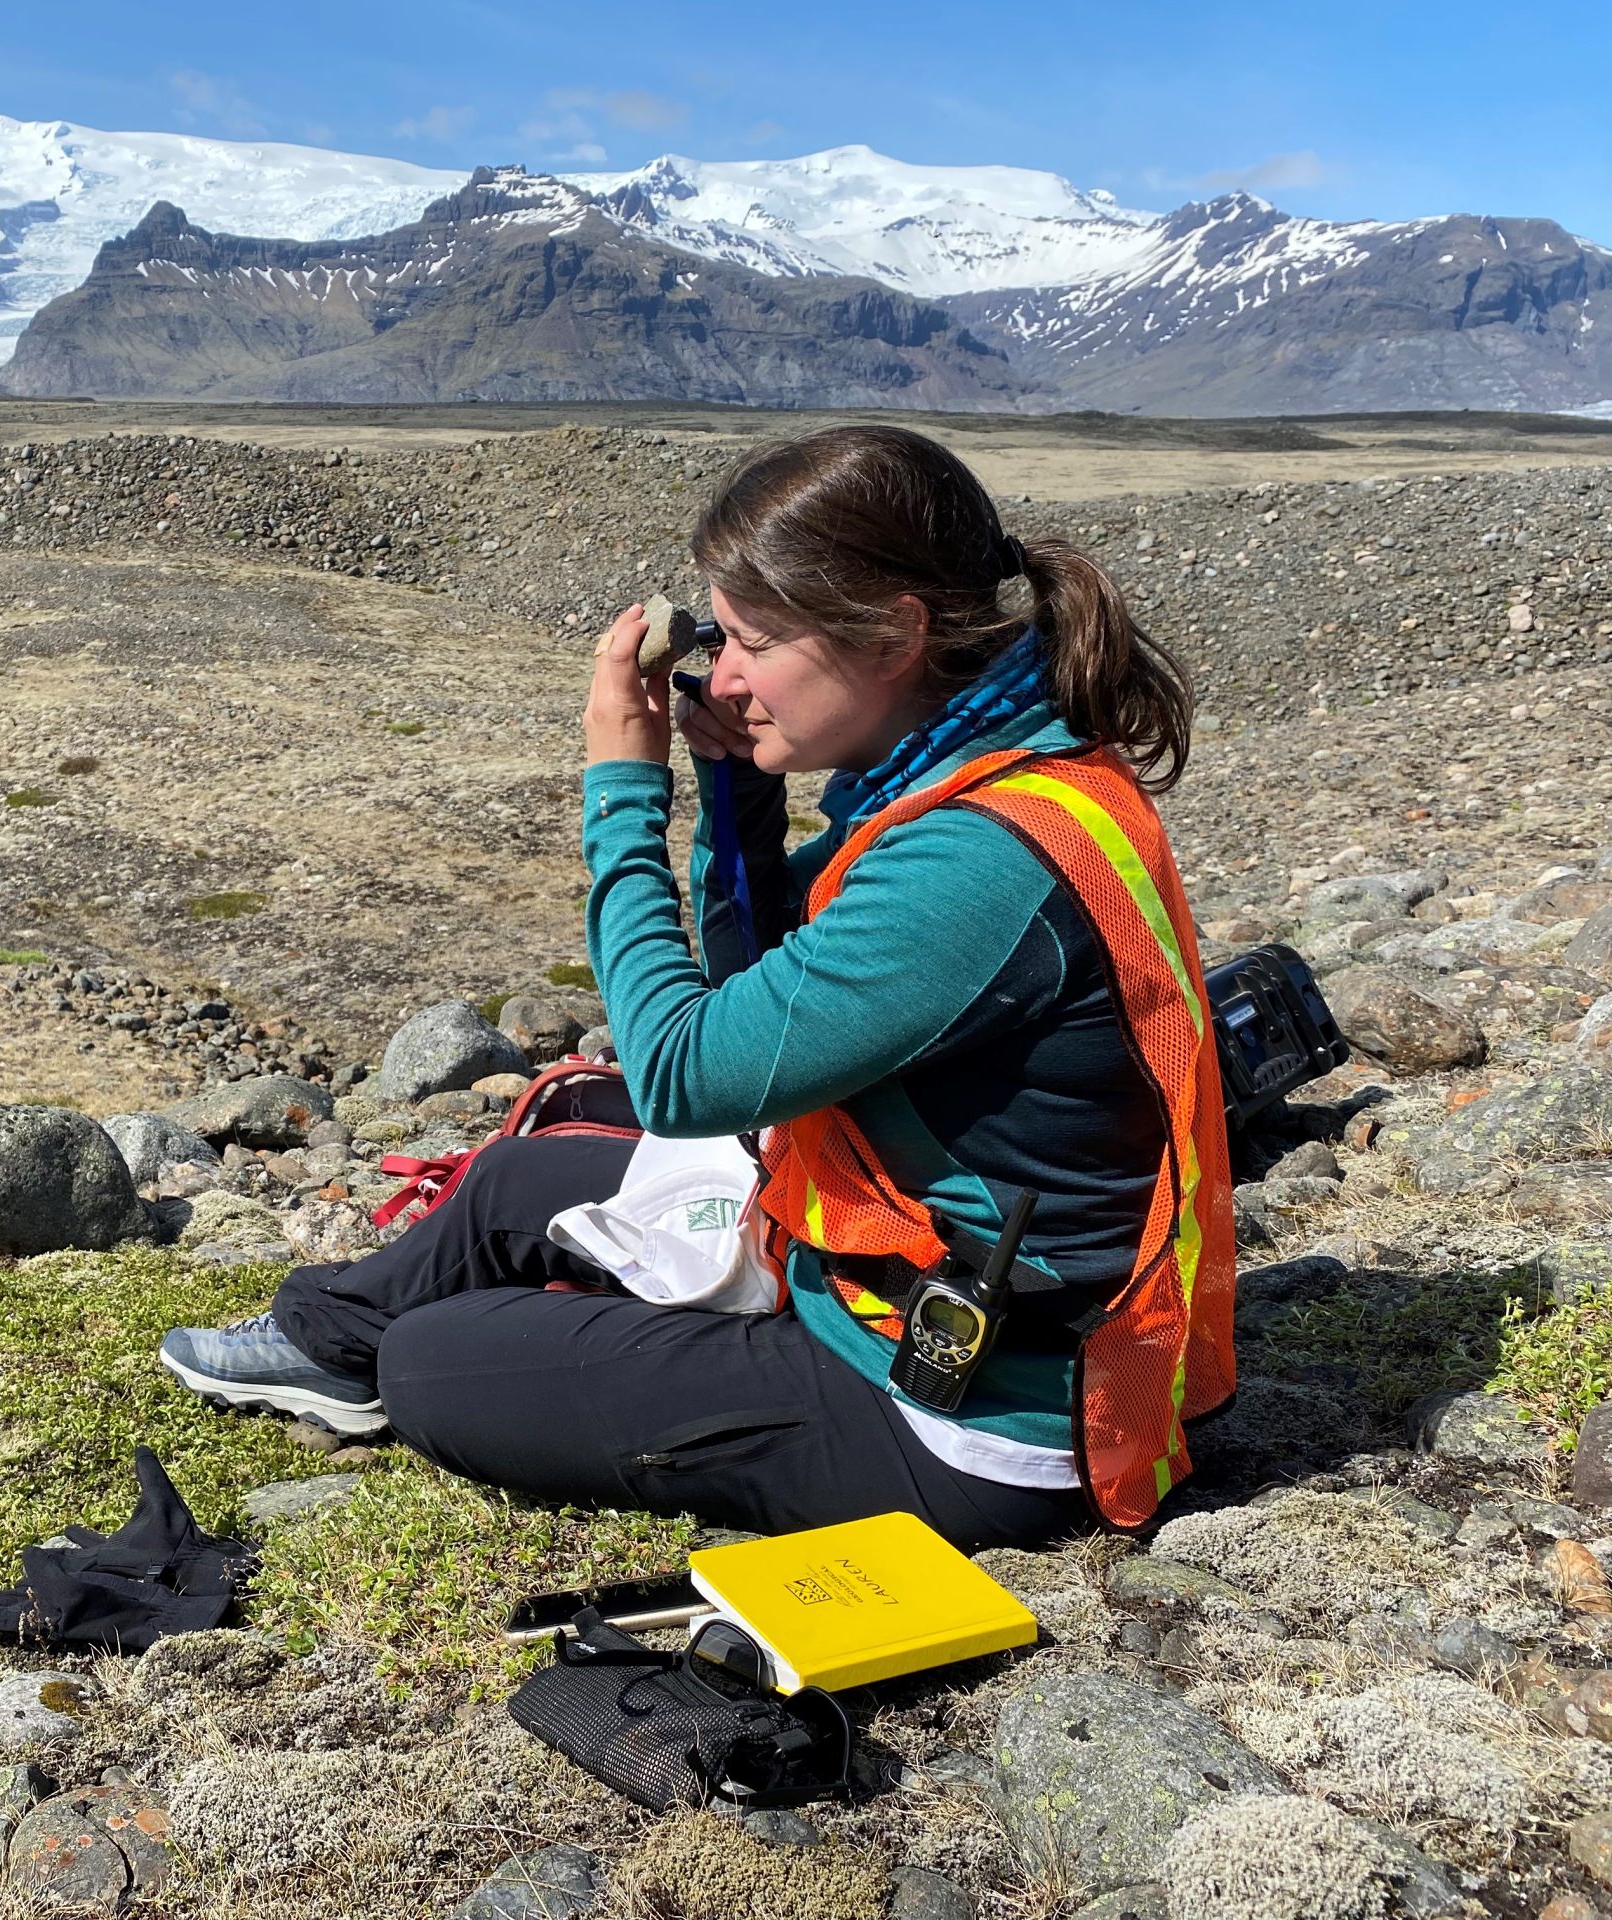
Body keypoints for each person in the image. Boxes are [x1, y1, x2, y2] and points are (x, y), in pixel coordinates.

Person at [159, 424, 1235, 1553]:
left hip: (967, 1418)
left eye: (757, 643)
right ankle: (323, 1338)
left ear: (893, 634)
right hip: (911, 1289)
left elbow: (681, 1072)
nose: (722, 675)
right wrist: (731, 793)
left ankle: (383, 1357)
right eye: (721, 635)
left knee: (429, 1367)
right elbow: (762, 993)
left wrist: (622, 795)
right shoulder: (1002, 774)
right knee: (516, 1175)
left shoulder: (974, 862)